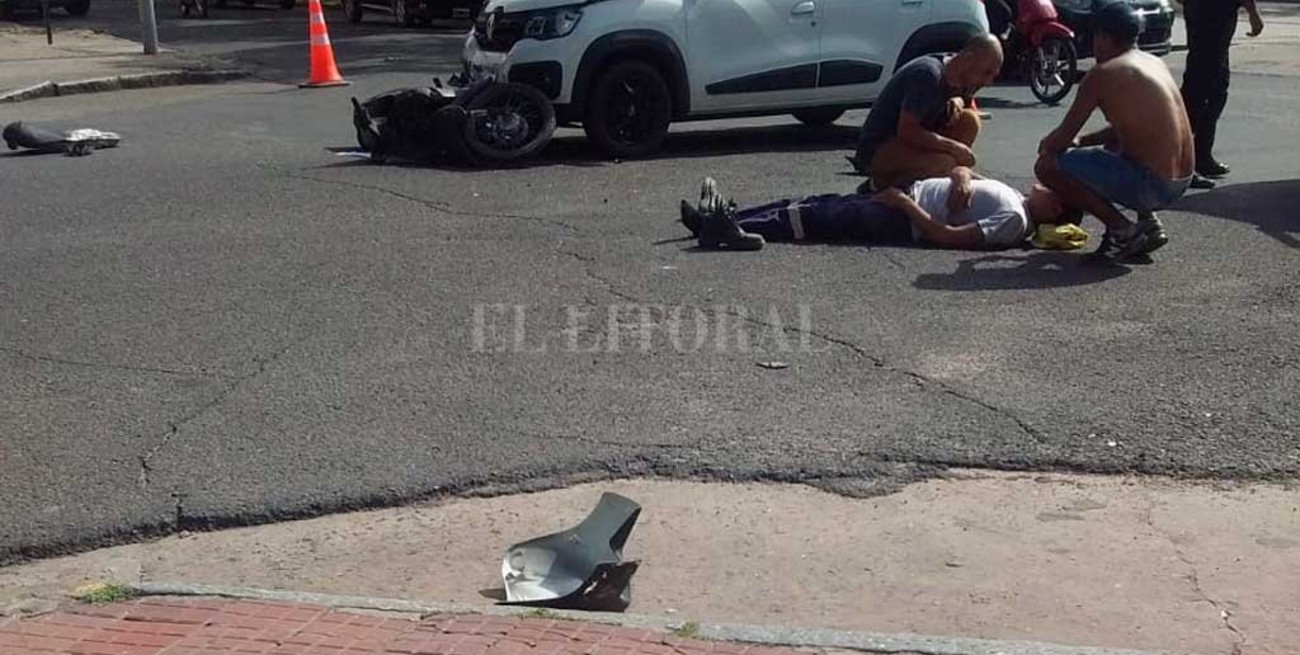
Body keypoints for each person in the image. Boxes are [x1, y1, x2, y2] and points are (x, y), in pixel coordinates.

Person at [1034, 2, 1194, 262]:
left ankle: (1123, 232)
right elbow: (1137, 128)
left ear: (1103, 37)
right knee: (1113, 147)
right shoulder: (1154, 63)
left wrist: (1048, 144)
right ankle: (1149, 224)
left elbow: (1059, 141)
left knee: (1047, 165)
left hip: (1152, 185)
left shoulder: (1102, 74)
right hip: (1181, 181)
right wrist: (1083, 141)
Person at [678, 172, 1070, 252]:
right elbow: (965, 169)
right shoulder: (1014, 198)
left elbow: (948, 238)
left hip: (902, 217)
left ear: (1054, 208)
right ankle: (720, 222)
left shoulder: (1015, 221)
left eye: (1052, 191)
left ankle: (726, 230)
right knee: (809, 203)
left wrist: (904, 205)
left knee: (814, 218)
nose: (1043, 184)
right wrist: (962, 176)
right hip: (905, 196)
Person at [848, 34, 1004, 190]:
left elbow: (968, 109)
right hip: (880, 148)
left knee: (969, 121)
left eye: (993, 76)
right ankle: (880, 185)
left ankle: (944, 183)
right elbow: (907, 130)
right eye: (986, 73)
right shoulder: (927, 75)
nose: (988, 82)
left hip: (915, 142)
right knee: (944, 163)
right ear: (969, 59)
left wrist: (959, 100)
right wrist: (953, 148)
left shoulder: (963, 78)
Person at [1180, 0, 1265, 188]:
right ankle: (1184, 160)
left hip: (1201, 14)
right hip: (1214, 17)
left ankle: (1199, 156)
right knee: (1205, 95)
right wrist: (1253, 13)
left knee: (1206, 92)